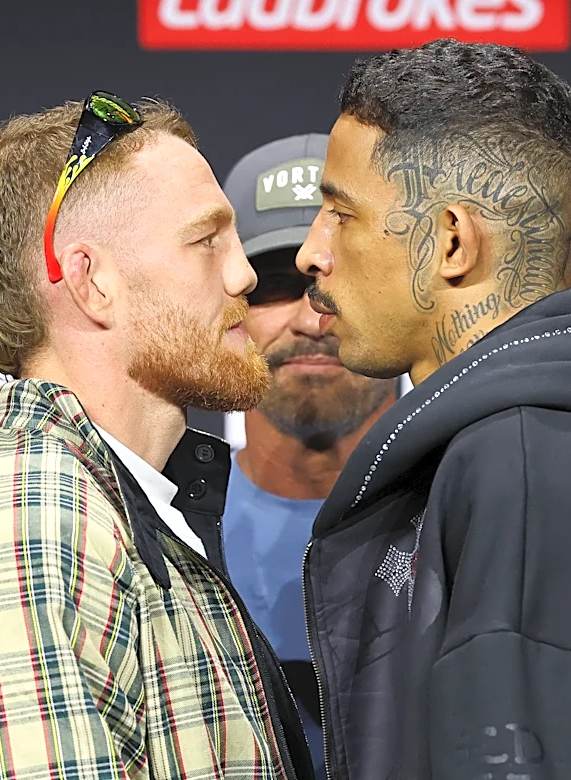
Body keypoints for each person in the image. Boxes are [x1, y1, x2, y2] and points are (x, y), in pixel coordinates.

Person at [0, 92, 314, 780]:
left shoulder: (115, 509)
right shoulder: (19, 520)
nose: (244, 273)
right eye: (206, 239)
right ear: (93, 283)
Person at [296, 39, 571, 779]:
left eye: (340, 213)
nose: (311, 253)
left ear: (450, 242)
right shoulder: (531, 438)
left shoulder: (522, 466)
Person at [221, 135, 397, 779]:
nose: (310, 317)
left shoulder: (468, 513)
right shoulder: (166, 534)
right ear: (226, 298)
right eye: (274, 283)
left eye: (338, 276)